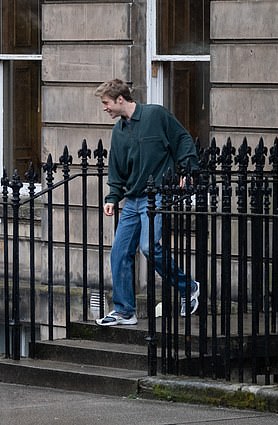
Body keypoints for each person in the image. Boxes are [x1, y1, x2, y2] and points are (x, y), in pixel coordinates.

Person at [93, 78, 200, 326]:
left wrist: (187, 170)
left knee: (149, 247)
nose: (105, 108)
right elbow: (116, 168)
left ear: (121, 99)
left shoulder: (155, 115)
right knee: (119, 252)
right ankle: (124, 311)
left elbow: (182, 139)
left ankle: (188, 287)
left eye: (106, 103)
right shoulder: (118, 131)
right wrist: (112, 197)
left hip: (158, 194)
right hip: (132, 199)